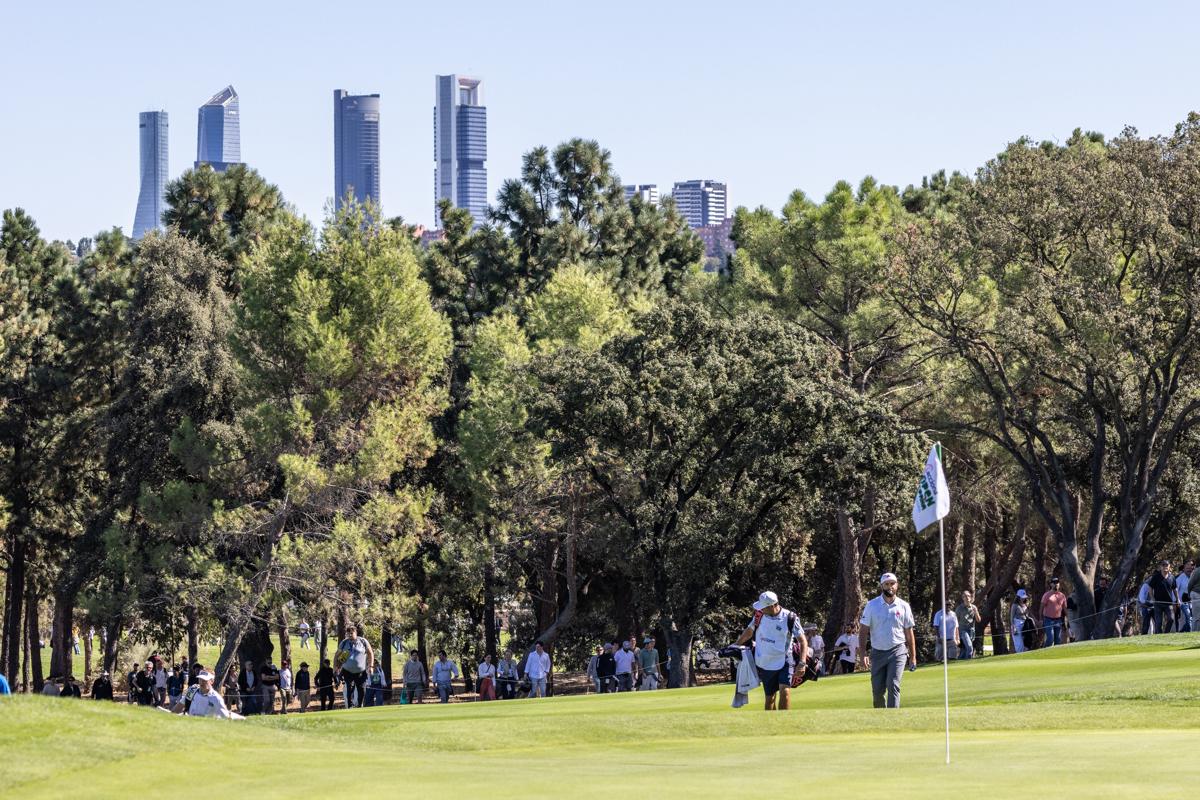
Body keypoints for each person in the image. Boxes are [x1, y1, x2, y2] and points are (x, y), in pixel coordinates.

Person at [734, 590, 807, 711]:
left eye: (764, 607)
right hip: (765, 662)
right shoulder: (759, 615)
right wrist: (736, 645)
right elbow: (749, 631)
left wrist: (802, 662)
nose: (761, 609)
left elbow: (803, 641)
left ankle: (784, 722)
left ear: (773, 605)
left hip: (784, 660)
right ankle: (771, 724)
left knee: (785, 691)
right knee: (770, 698)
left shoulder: (790, 618)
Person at [858, 573, 917, 709]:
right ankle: (880, 720)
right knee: (877, 691)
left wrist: (913, 656)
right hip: (877, 652)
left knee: (893, 684)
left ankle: (893, 720)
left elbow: (909, 632)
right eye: (886, 584)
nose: (890, 587)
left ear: (897, 585)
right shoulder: (872, 605)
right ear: (882, 586)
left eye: (892, 584)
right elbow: (863, 631)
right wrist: (863, 655)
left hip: (898, 650)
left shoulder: (904, 606)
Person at [336, 623, 374, 708]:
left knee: (362, 690)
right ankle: (350, 706)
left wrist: (371, 666)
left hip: (361, 672)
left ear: (356, 633)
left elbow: (370, 653)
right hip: (348, 671)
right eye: (348, 633)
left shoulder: (363, 641)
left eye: (351, 633)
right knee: (349, 689)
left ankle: (359, 705)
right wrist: (336, 667)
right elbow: (337, 656)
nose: (349, 635)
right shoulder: (344, 643)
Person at [1040, 577, 1068, 647]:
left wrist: (1069, 619)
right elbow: (1041, 609)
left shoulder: (1062, 596)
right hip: (1048, 619)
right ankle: (1044, 653)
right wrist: (1040, 619)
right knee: (1050, 639)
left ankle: (1055, 656)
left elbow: (1065, 609)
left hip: (1058, 620)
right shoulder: (1046, 595)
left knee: (1057, 640)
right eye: (1054, 583)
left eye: (1057, 583)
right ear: (1051, 584)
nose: (1056, 584)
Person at [955, 590, 981, 659]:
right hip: (963, 631)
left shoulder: (974, 607)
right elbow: (955, 622)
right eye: (965, 596)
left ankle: (960, 663)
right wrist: (956, 634)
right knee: (969, 648)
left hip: (971, 631)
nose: (967, 598)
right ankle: (968, 663)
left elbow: (978, 620)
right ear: (962, 598)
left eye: (968, 596)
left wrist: (976, 612)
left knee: (964, 650)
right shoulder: (959, 608)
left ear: (971, 597)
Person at [1177, 560, 1195, 633]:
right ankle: (1189, 632)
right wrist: (1176, 601)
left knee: (1191, 617)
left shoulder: (1194, 577)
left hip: (1193, 601)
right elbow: (1175, 590)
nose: (1189, 569)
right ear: (1184, 568)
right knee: (1188, 616)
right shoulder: (1180, 578)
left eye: (1191, 568)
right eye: (1187, 567)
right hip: (1182, 601)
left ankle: (1182, 631)